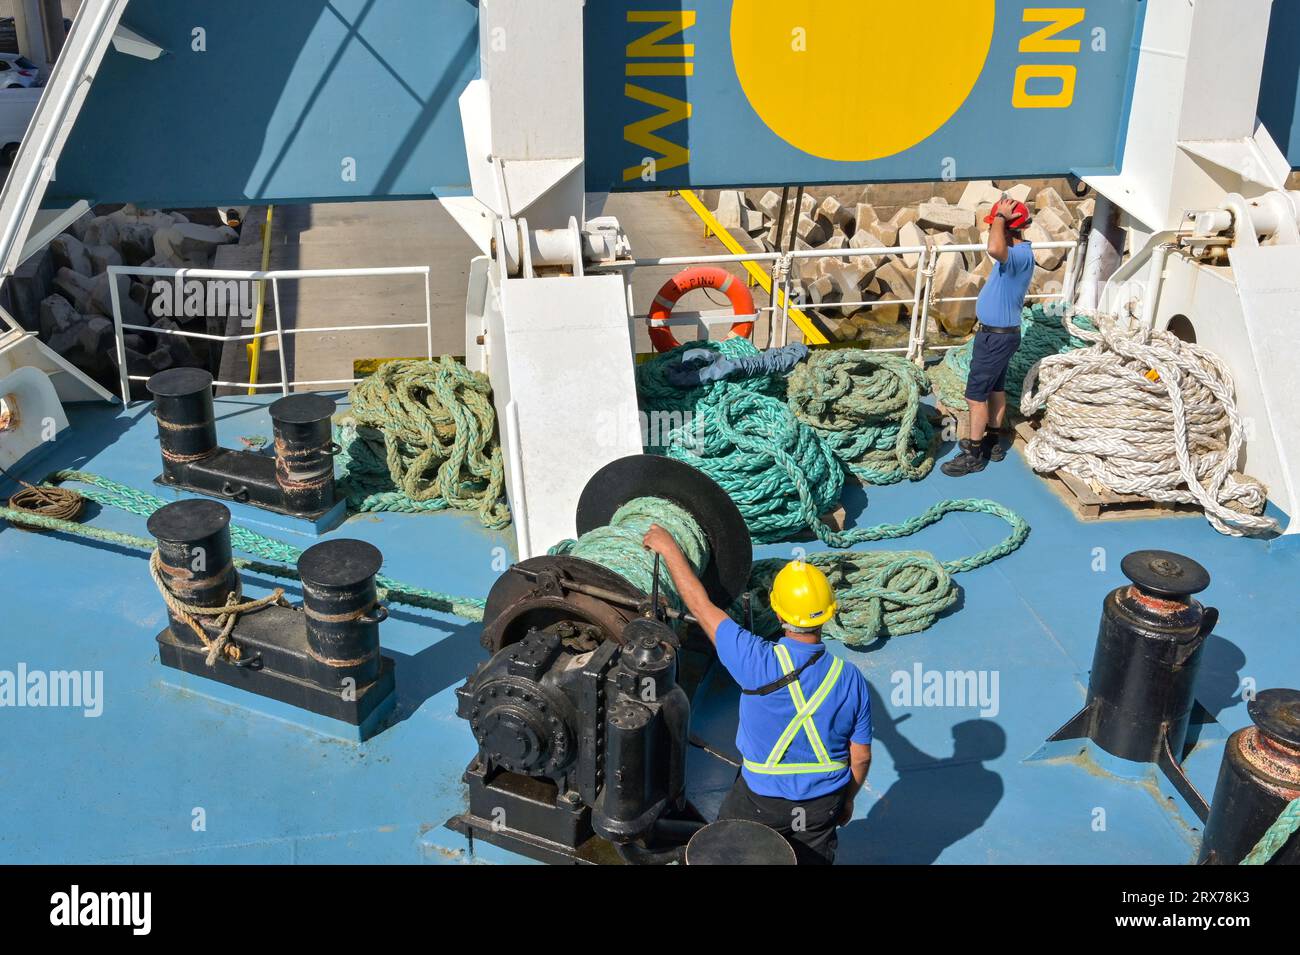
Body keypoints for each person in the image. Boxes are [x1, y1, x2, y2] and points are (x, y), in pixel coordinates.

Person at [642, 525, 872, 864]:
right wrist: (846, 799)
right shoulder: (850, 679)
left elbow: (699, 604)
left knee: (728, 853)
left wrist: (669, 548)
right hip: (822, 805)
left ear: (778, 613)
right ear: (828, 614)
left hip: (761, 801)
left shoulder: (755, 660)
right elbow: (861, 758)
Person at [941, 196, 1035, 477]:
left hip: (995, 339)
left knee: (975, 396)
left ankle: (973, 453)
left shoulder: (1015, 255)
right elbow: (998, 246)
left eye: (996, 225)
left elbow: (993, 247)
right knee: (995, 389)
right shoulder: (1021, 253)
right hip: (1002, 336)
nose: (991, 230)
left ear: (1008, 228)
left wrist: (1000, 217)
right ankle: (993, 440)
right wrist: (1003, 222)